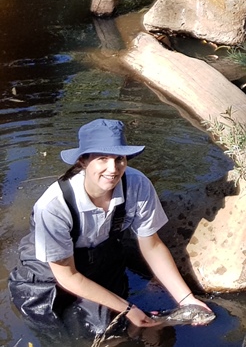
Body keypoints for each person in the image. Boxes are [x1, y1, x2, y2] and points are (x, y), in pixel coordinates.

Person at [9, 118, 212, 337]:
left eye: (119, 158)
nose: (113, 169)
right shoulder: (53, 206)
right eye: (102, 159)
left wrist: (186, 300)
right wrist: (127, 308)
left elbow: (152, 246)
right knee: (96, 332)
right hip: (50, 274)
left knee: (137, 330)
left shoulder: (137, 185)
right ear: (82, 162)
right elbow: (67, 276)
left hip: (100, 262)